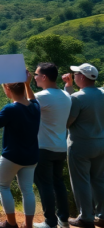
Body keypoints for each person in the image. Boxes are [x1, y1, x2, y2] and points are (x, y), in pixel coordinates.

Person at [0, 71, 41, 228]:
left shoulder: (11, 109)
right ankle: (28, 225)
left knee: (3, 187)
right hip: (31, 156)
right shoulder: (36, 107)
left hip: (12, 156)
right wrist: (28, 84)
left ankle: (11, 223)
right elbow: (32, 99)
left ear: (7, 89)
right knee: (27, 191)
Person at [26, 63, 72, 228]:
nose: (35, 77)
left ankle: (50, 222)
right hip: (60, 147)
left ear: (44, 77)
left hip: (44, 147)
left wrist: (25, 84)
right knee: (58, 184)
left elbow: (26, 107)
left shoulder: (42, 96)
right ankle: (64, 220)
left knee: (45, 185)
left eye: (36, 74)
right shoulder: (66, 95)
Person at [63, 63, 104, 228]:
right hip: (101, 143)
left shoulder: (77, 97)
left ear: (82, 77)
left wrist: (68, 90)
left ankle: (86, 217)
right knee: (99, 180)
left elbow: (68, 121)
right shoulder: (102, 94)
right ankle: (102, 216)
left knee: (81, 181)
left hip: (80, 145)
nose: (74, 76)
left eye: (76, 74)